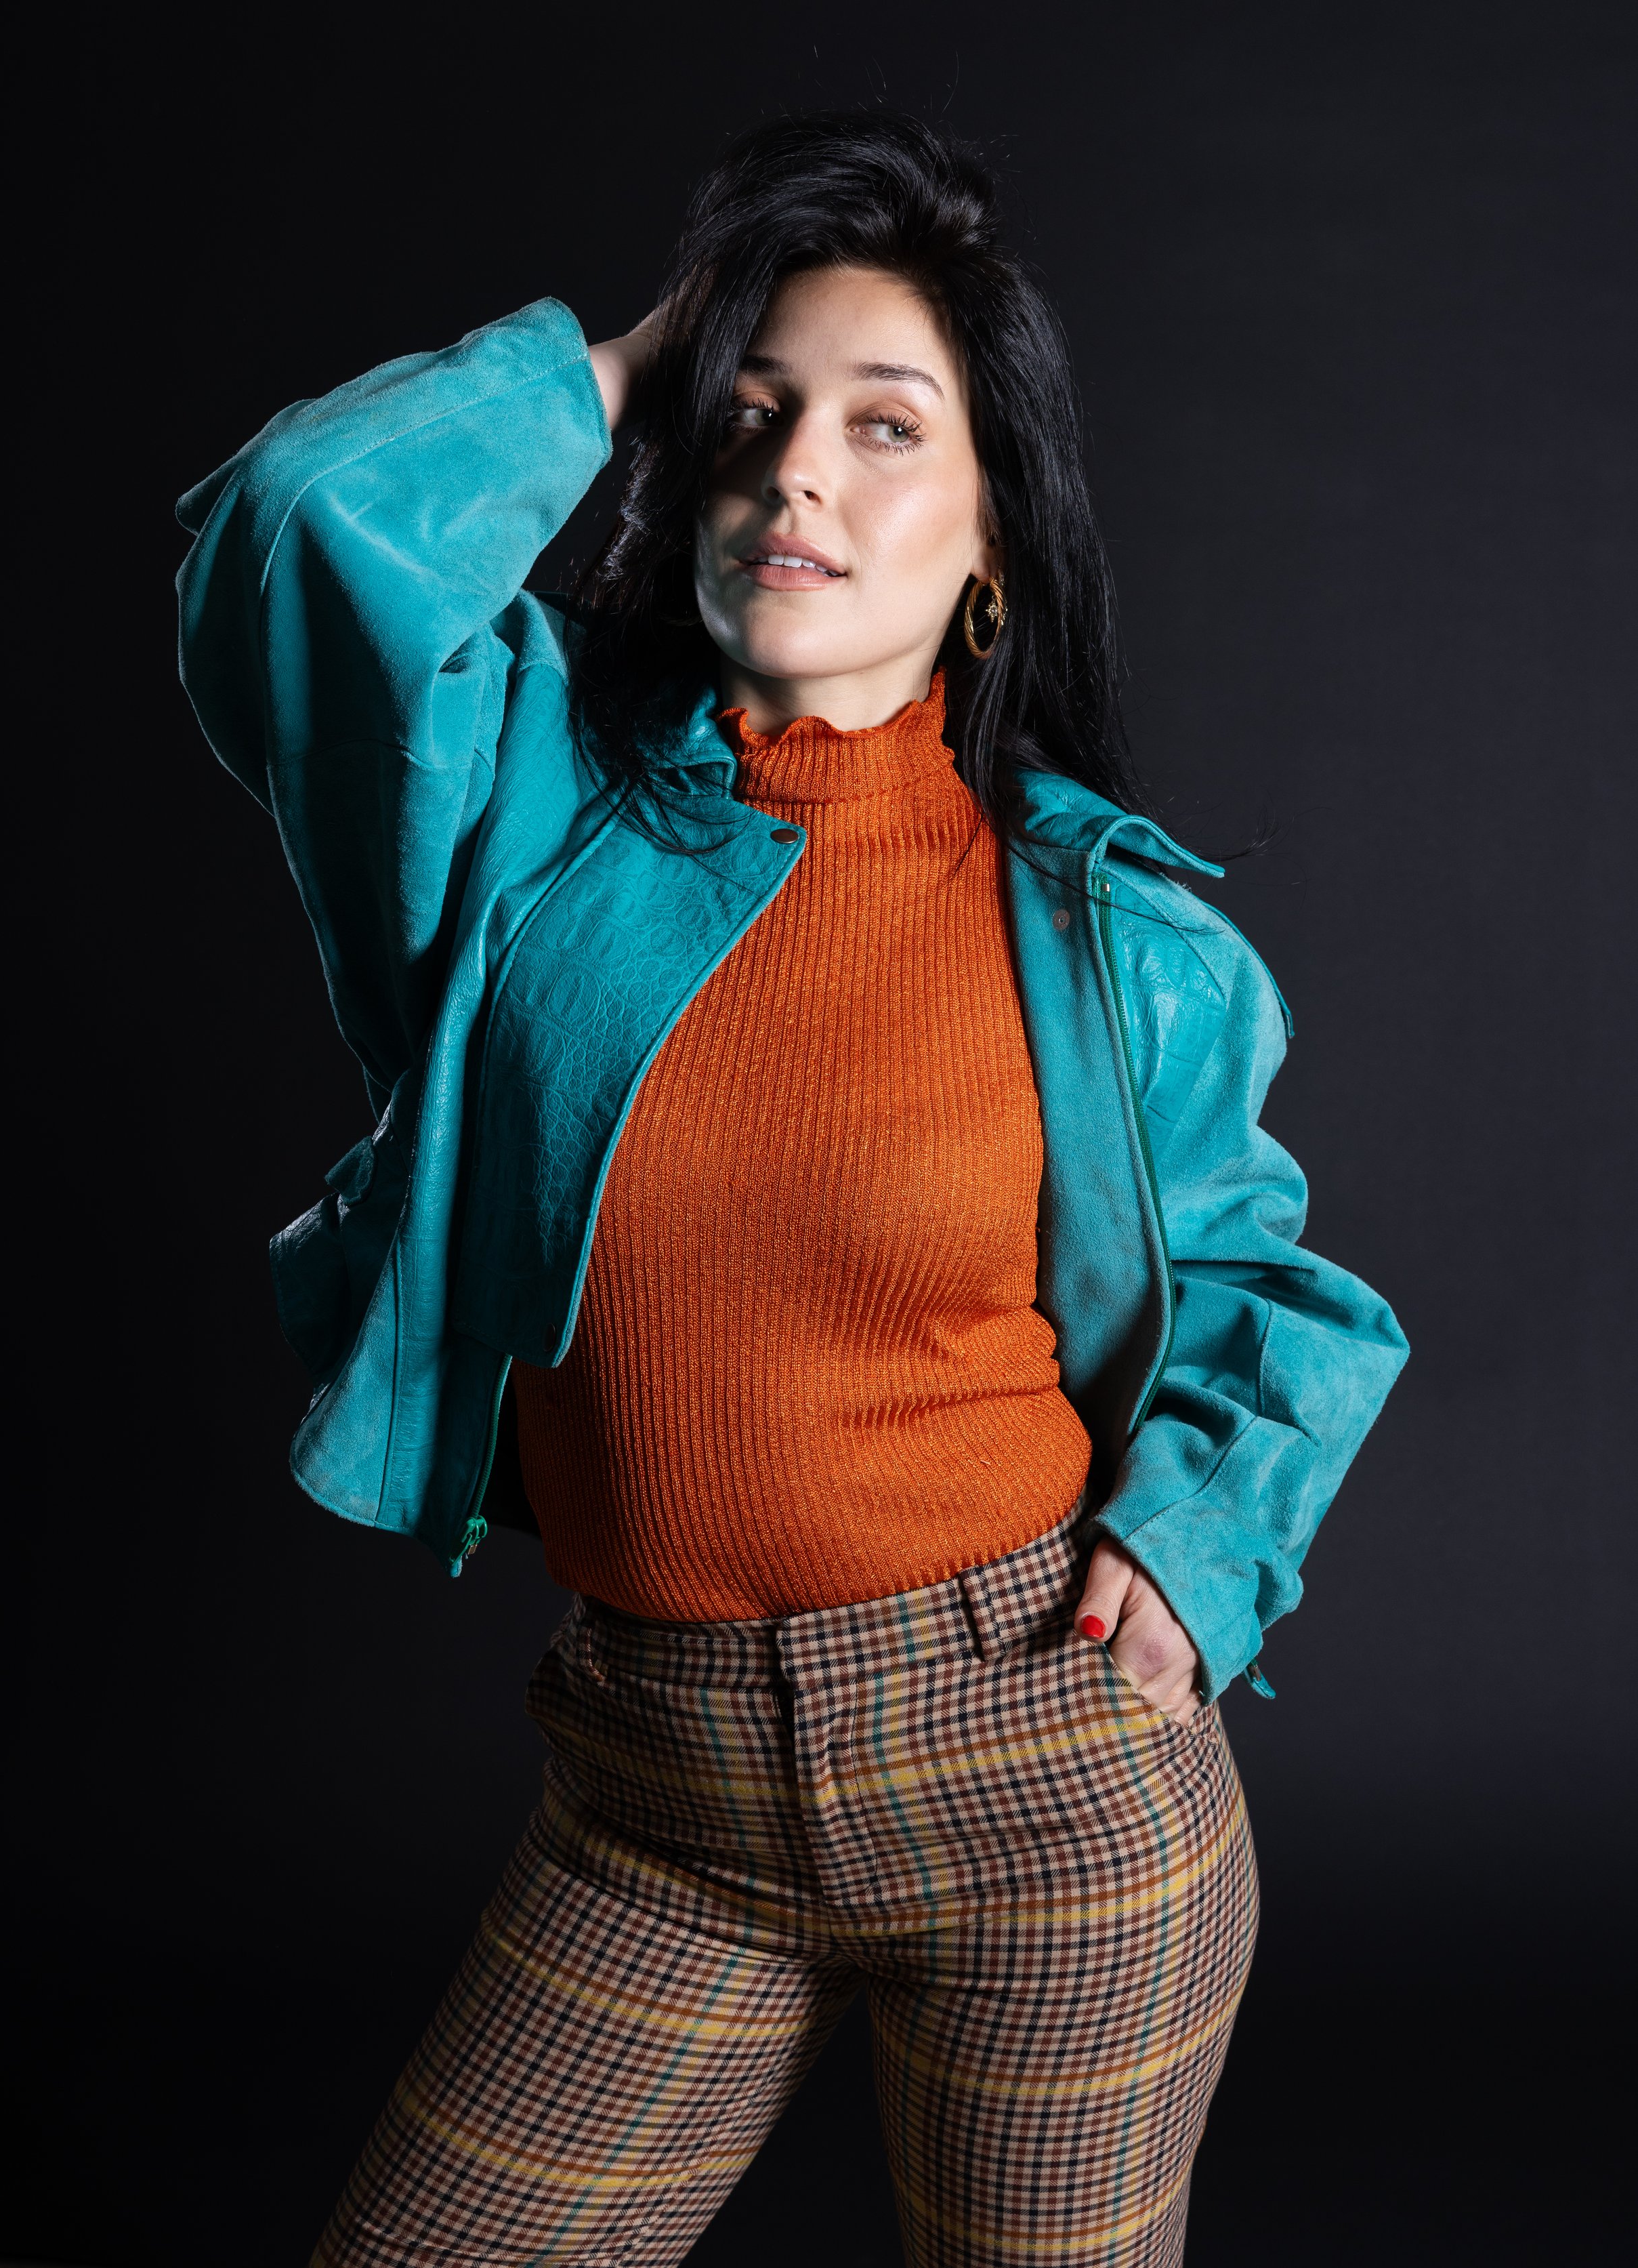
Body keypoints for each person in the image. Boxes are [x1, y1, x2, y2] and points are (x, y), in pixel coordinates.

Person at [177, 109, 1406, 2268]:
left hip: (1042, 1781)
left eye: (882, 425)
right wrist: (645, 352)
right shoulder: (523, 812)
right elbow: (296, 526)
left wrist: (1202, 1552)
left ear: (993, 539)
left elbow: (1266, 1290)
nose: (796, 471)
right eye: (751, 415)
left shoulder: (1118, 941)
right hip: (650, 1798)